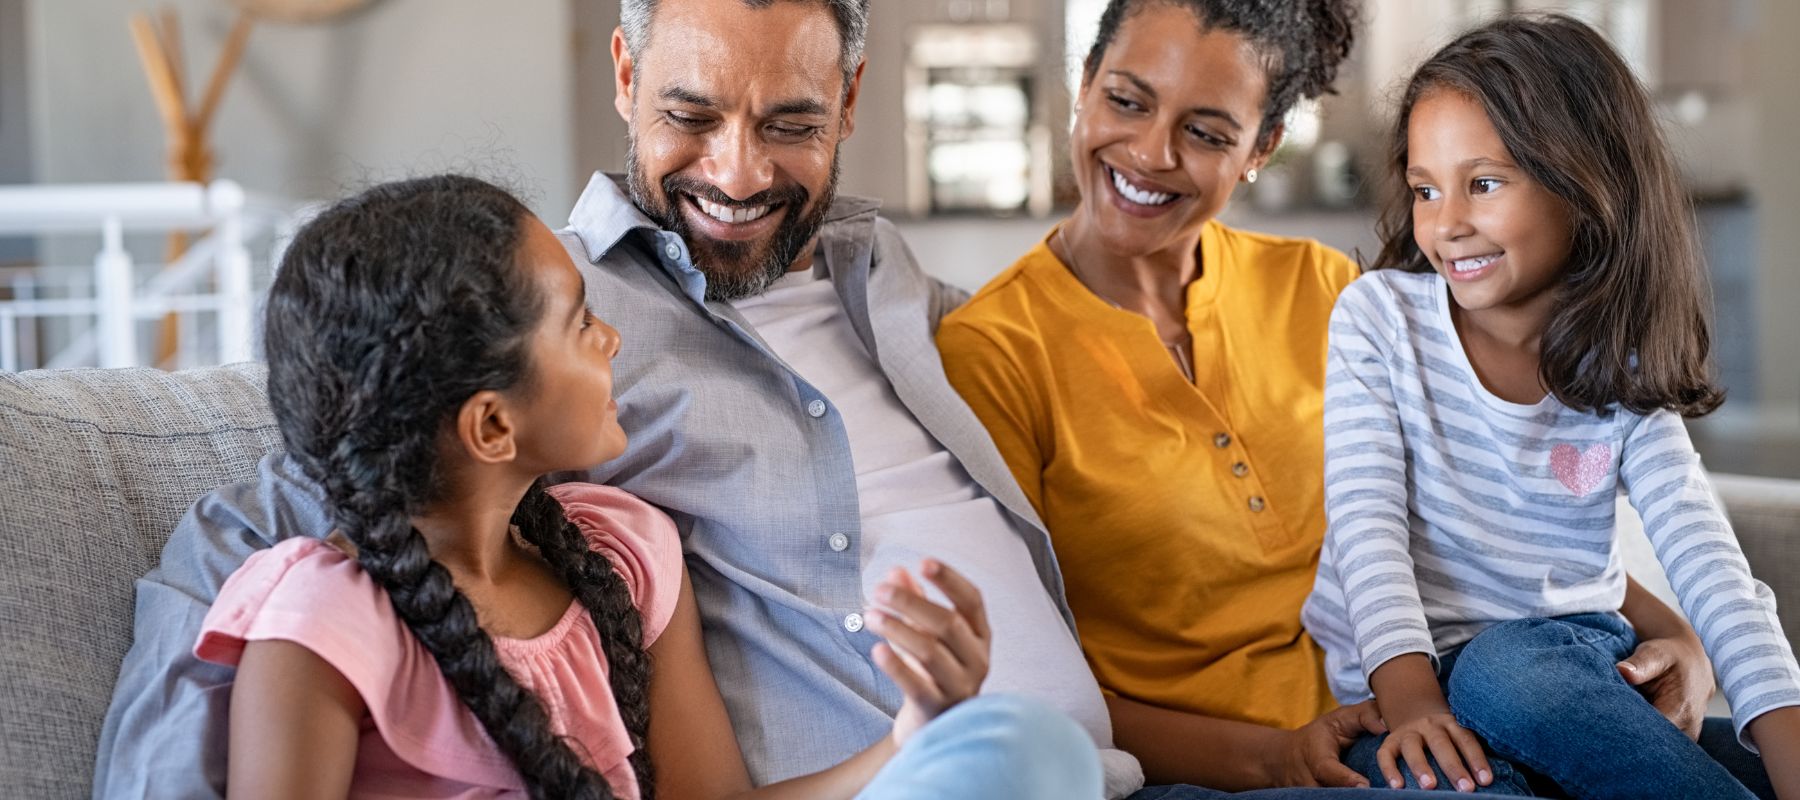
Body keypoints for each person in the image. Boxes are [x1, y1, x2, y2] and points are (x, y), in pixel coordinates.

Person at [95, 0, 1139, 796]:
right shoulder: (529, 319)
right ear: (627, 73)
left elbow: (1051, 337)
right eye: (691, 115)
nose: (737, 171)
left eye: (791, 123)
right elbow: (296, 496)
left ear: (850, 105)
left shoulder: (881, 268)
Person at [937, 1, 1722, 796]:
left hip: (1448, 708)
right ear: (1084, 85)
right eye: (1127, 101)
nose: (1149, 152)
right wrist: (1274, 757)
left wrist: (1678, 637)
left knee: (1713, 752)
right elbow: (1025, 689)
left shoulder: (1327, 290)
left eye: (1207, 131)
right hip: (1237, 774)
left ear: (1261, 148)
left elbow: (1490, 517)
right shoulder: (992, 353)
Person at [198, 173, 1093, 799]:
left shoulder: (623, 553)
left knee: (1026, 745)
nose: (614, 343)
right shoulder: (322, 624)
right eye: (582, 325)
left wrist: (914, 735)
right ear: (493, 426)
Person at [1301, 14, 1800, 798]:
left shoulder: (1618, 369)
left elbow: (1710, 565)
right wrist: (1411, 703)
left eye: (1485, 183)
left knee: (1509, 668)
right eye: (1425, 189)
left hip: (1560, 673)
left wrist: (1785, 732)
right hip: (1406, 697)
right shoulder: (1379, 321)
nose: (1446, 223)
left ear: (1586, 183)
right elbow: (1368, 528)